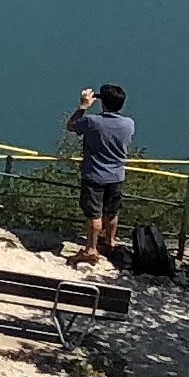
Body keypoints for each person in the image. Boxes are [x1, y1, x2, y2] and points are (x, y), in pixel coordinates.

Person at [64, 84, 135, 265]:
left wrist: (83, 106)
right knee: (111, 212)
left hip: (94, 175)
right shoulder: (129, 124)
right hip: (117, 175)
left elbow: (71, 126)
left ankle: (90, 250)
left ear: (102, 102)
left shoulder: (92, 122)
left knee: (94, 215)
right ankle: (110, 243)